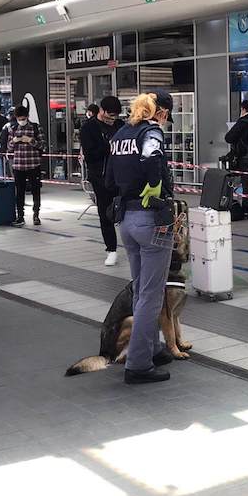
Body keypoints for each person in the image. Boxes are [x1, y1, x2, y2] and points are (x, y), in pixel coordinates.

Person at [106, 90, 178, 384]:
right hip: (151, 220)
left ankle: (151, 347)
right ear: (160, 112)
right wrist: (154, 185)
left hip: (126, 219)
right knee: (152, 293)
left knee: (140, 289)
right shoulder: (151, 133)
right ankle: (137, 365)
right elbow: (151, 158)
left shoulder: (121, 133)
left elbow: (108, 178)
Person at [80, 95, 125, 265]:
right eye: (109, 116)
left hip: (121, 176)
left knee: (127, 211)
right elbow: (90, 155)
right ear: (101, 111)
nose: (112, 119)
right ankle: (111, 249)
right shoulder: (88, 128)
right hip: (101, 177)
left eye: (115, 116)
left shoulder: (120, 125)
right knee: (106, 214)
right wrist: (109, 146)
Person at [8, 105, 46, 227]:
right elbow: (9, 148)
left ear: (28, 117)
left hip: (33, 164)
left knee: (36, 190)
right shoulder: (13, 128)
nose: (21, 120)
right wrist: (13, 141)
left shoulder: (35, 127)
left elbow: (43, 146)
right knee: (19, 192)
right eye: (19, 118)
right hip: (18, 165)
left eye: (23, 118)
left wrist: (30, 140)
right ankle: (20, 216)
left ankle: (36, 215)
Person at [224, 99, 248, 219]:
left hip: (245, 158)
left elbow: (229, 138)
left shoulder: (242, 122)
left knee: (246, 185)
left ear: (243, 109)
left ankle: (245, 211)